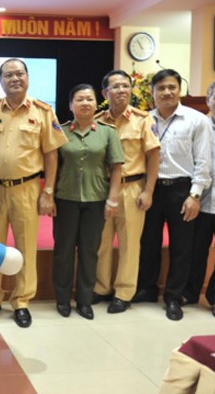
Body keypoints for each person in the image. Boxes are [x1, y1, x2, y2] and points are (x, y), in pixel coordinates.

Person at [0, 58, 67, 328]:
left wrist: (48, 191)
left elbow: (51, 156)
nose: (14, 79)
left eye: (19, 74)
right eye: (8, 75)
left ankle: (22, 301)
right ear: (0, 80)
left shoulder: (42, 112)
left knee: (26, 244)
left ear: (28, 78)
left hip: (27, 188)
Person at [133, 69, 212, 321]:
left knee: (181, 247)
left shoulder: (196, 120)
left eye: (172, 87)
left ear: (180, 90)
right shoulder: (144, 119)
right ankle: (146, 289)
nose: (167, 92)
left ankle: (173, 296)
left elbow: (203, 161)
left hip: (182, 190)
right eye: (161, 88)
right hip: (151, 189)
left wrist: (195, 195)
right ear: (152, 93)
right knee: (148, 242)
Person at [92, 70, 160, 314]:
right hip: (102, 190)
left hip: (133, 188)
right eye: (116, 86)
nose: (122, 90)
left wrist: (148, 191)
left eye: (125, 86)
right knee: (101, 242)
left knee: (130, 244)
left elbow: (154, 157)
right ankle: (101, 288)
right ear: (105, 93)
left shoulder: (142, 120)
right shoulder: (97, 120)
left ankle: (123, 292)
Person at [53, 83, 123, 320]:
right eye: (80, 99)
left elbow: (116, 168)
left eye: (90, 99)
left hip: (96, 200)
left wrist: (112, 200)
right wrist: (49, 196)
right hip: (65, 199)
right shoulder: (60, 132)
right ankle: (62, 299)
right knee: (63, 251)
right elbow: (52, 168)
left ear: (96, 104)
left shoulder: (108, 132)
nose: (85, 103)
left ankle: (84, 300)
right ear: (71, 105)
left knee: (89, 251)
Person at [182, 80, 215, 319]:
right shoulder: (197, 126)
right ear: (208, 100)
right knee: (194, 250)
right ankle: (190, 291)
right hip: (199, 201)